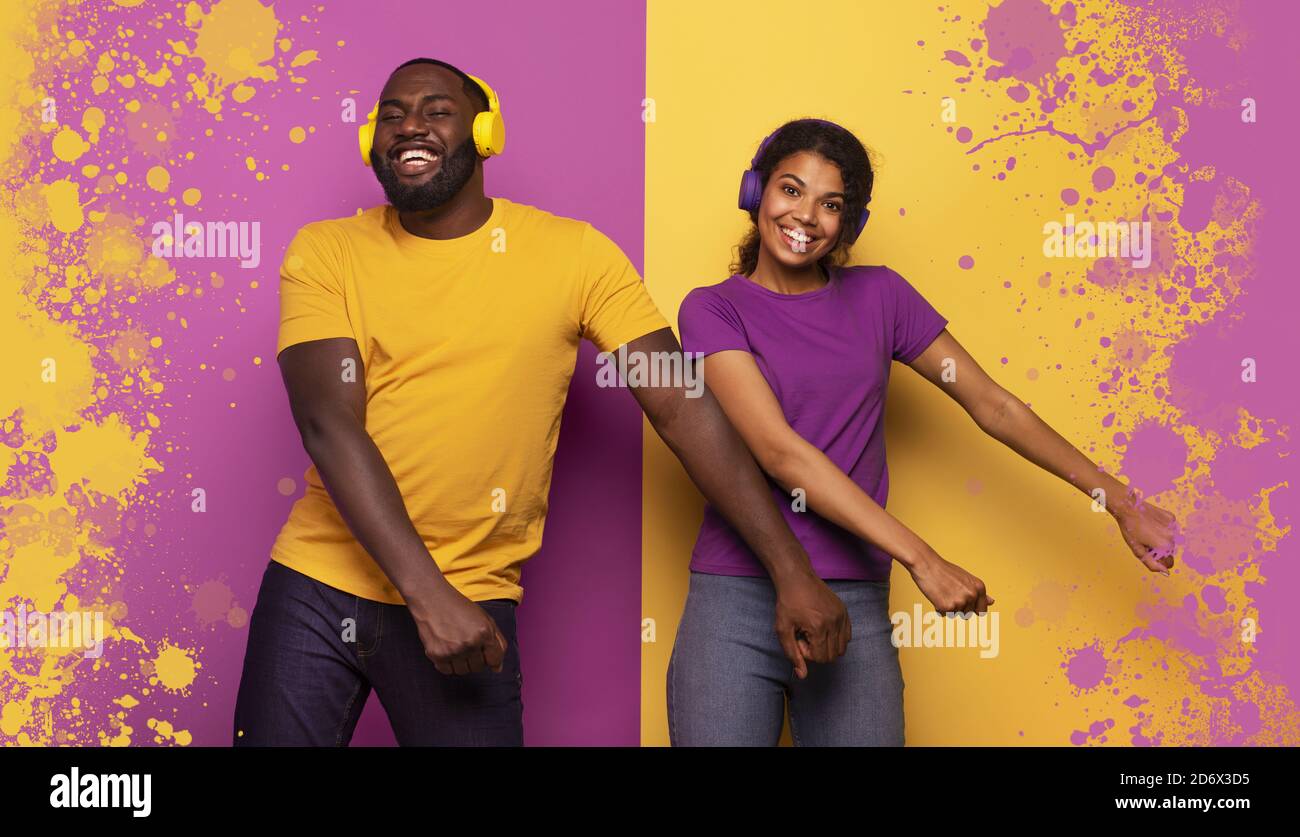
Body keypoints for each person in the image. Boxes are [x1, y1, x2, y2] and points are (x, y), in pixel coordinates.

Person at [232, 60, 851, 746]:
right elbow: (328, 422)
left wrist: (792, 570)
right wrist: (426, 594)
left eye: (436, 111)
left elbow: (684, 409)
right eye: (392, 114)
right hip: (317, 588)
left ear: (485, 132)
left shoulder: (574, 255)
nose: (409, 126)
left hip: (471, 596)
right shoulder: (325, 252)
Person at [667, 118, 1180, 746]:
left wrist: (1121, 502)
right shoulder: (713, 309)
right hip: (736, 598)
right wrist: (924, 558)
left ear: (849, 222)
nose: (805, 216)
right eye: (790, 190)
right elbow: (780, 452)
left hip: (853, 596)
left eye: (831, 204)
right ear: (756, 192)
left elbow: (994, 406)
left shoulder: (881, 298)